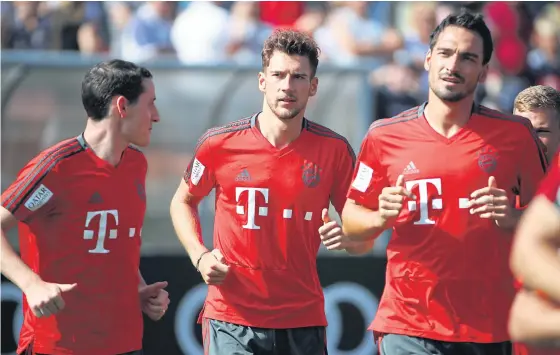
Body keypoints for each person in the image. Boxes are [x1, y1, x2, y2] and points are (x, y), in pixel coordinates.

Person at [341, 9, 547, 355]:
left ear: (483, 72)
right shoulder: (384, 136)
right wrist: (378, 218)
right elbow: (350, 217)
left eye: (467, 57)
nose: (453, 65)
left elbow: (548, 224)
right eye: (446, 53)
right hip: (407, 323)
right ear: (427, 59)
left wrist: (513, 218)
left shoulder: (515, 135)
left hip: (487, 326)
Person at [169, 28, 372, 355]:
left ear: (314, 86)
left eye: (298, 77)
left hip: (302, 318)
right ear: (262, 81)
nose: (287, 86)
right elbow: (183, 200)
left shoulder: (334, 150)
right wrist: (200, 255)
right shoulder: (218, 144)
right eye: (278, 75)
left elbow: (365, 234)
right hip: (231, 318)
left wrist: (351, 239)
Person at [0, 59, 169, 355]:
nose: (156, 116)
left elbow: (117, 244)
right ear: (122, 107)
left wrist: (138, 290)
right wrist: (32, 284)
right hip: (58, 346)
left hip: (124, 343)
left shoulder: (136, 164)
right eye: (150, 104)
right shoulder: (56, 169)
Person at [510, 86, 560, 355]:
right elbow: (523, 320)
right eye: (522, 130)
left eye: (541, 132)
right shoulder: (496, 189)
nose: (530, 140)